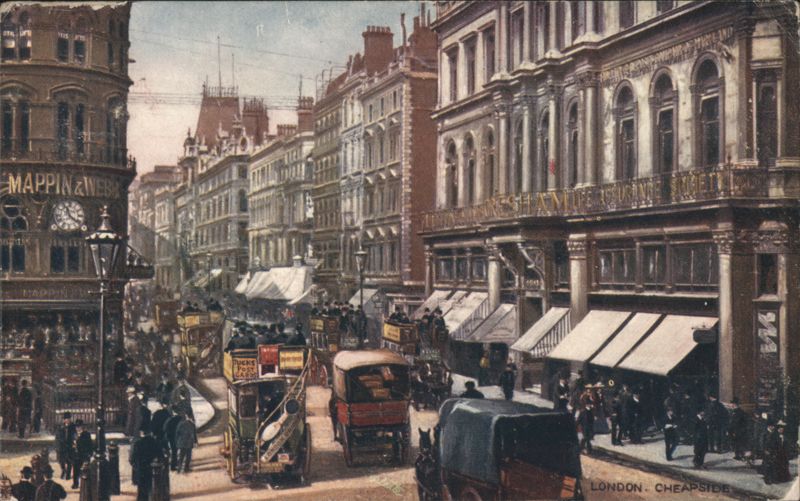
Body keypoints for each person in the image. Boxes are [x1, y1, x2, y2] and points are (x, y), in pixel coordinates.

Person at [130, 426, 161, 501]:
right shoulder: (154, 442)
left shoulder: (137, 443)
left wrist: (134, 465)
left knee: (141, 488)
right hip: (152, 467)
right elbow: (160, 455)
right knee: (151, 486)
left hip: (141, 467)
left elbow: (132, 458)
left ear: (141, 433)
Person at [54, 412, 76, 480]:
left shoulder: (73, 426)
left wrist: (74, 442)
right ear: (63, 420)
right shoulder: (60, 427)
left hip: (70, 446)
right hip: (62, 446)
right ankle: (63, 470)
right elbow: (57, 437)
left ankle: (68, 474)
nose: (67, 420)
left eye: (68, 419)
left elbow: (74, 435)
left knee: (69, 461)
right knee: (61, 461)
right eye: (65, 419)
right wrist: (58, 446)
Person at [72, 420, 92, 490]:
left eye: (79, 426)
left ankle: (86, 484)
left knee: (85, 470)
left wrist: (89, 454)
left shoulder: (86, 434)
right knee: (75, 470)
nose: (78, 428)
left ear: (82, 427)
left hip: (84, 455)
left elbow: (90, 445)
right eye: (77, 427)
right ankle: (75, 483)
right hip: (76, 455)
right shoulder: (74, 435)